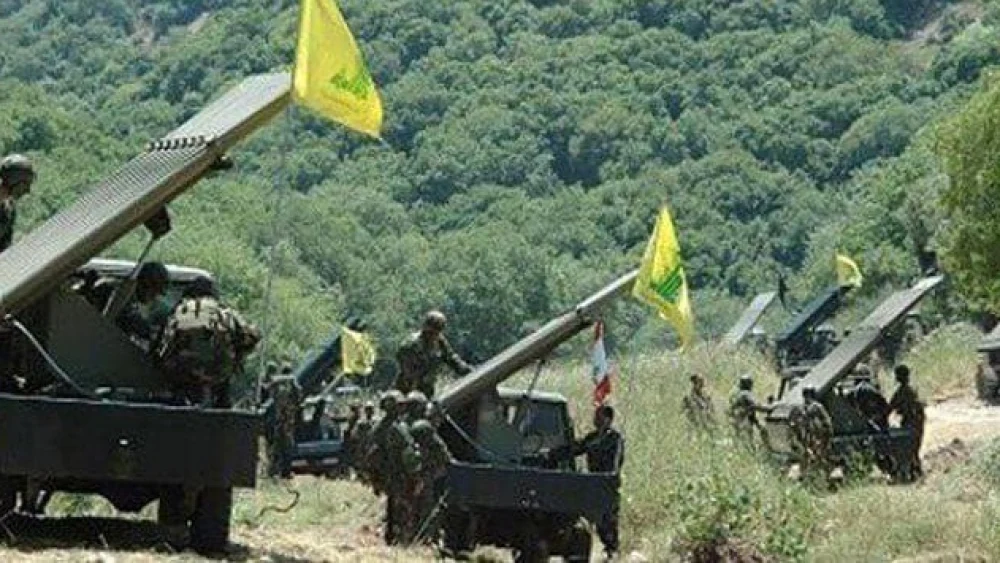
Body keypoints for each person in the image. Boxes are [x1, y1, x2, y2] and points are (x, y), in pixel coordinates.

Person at [155, 276, 261, 408]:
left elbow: (162, 347)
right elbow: (252, 337)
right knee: (225, 378)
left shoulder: (179, 311)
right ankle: (222, 407)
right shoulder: (224, 312)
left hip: (183, 374)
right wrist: (237, 356)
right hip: (218, 374)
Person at [560, 405, 624, 559]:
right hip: (592, 483)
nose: (595, 419)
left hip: (606, 483)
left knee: (607, 520)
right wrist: (556, 453)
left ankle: (611, 551)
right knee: (587, 519)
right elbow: (576, 449)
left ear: (608, 419)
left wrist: (609, 478)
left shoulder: (615, 439)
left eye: (599, 416)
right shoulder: (592, 437)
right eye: (595, 416)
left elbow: (615, 461)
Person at [367, 390, 422, 545]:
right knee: (403, 511)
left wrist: (375, 478)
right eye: (400, 405)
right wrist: (416, 475)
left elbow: (371, 455)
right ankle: (401, 543)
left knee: (391, 508)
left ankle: (391, 539)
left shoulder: (377, 428)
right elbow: (408, 454)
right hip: (400, 475)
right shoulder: (398, 429)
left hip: (386, 475)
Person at [395, 310, 472, 398]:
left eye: (437, 332)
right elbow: (407, 371)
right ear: (425, 328)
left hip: (427, 390)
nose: (433, 336)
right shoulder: (410, 345)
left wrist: (469, 371)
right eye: (430, 332)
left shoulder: (439, 342)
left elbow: (451, 359)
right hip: (406, 390)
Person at [408, 419, 451, 545]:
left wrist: (429, 475)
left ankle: (429, 537)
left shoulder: (437, 447)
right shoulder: (423, 447)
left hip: (435, 481)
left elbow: (443, 464)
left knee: (431, 510)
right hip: (427, 480)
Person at [115, 261, 171, 351]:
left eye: (156, 292)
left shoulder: (161, 310)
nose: (153, 296)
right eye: (153, 292)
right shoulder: (121, 298)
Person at [889, 364, 926, 481]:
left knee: (908, 449)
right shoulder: (912, 390)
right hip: (917, 422)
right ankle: (915, 472)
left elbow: (890, 407)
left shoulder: (902, 392)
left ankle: (911, 473)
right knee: (914, 449)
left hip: (911, 423)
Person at [0, 154, 34, 253]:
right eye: (25, 184)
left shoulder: (9, 210)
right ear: (14, 180)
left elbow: (5, 246)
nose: (27, 190)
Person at [728, 374, 771, 446]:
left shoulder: (739, 394)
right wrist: (769, 408)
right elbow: (755, 405)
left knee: (746, 439)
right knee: (759, 434)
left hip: (742, 420)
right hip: (744, 420)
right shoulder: (746, 394)